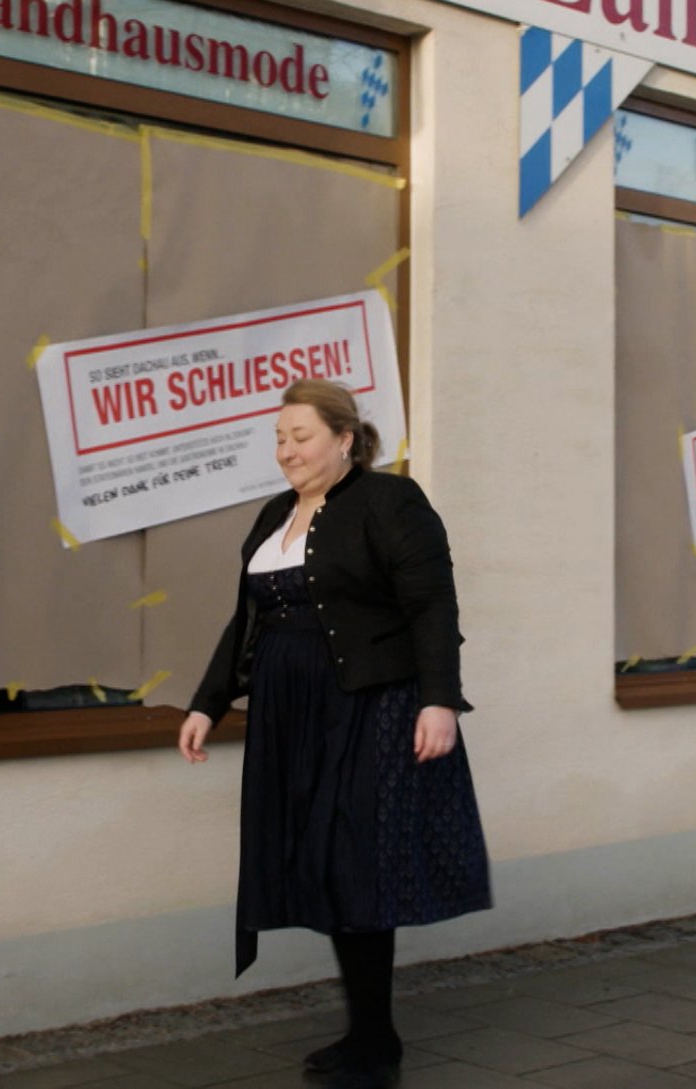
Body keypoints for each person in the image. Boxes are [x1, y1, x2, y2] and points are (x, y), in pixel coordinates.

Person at [178, 378, 492, 1089]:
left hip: (371, 705)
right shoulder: (271, 516)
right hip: (293, 718)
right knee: (322, 861)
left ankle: (375, 1037)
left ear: (345, 439)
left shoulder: (391, 503)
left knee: (358, 860)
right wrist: (208, 702)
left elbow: (432, 606)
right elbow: (247, 623)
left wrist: (439, 701)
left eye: (301, 436)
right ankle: (370, 1032)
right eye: (280, 438)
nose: (286, 450)